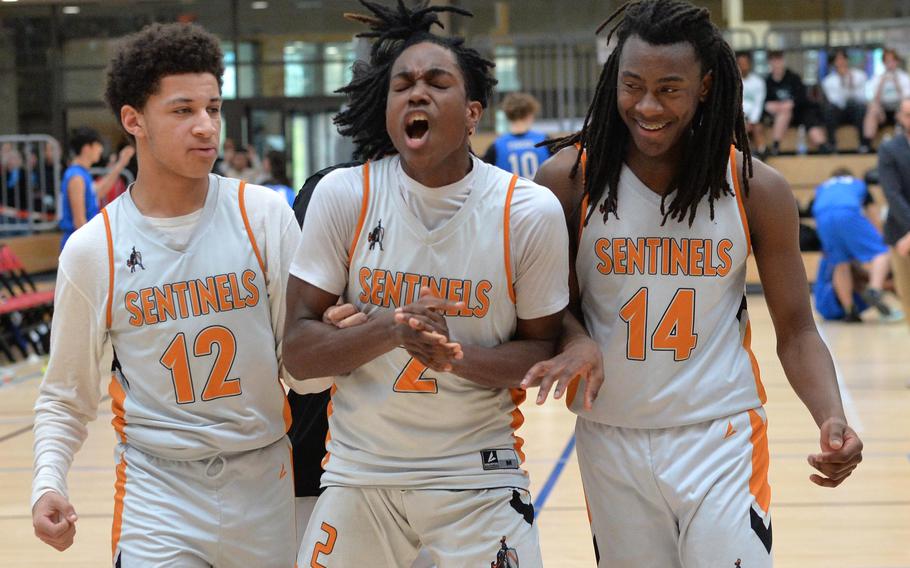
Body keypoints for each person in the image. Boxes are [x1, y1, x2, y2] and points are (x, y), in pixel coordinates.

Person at [524, 1, 864, 566]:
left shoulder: (756, 188)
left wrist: (830, 414)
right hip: (610, 435)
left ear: (706, 87)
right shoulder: (568, 180)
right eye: (632, 86)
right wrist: (575, 337)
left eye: (669, 89)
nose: (648, 105)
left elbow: (798, 330)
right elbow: (550, 309)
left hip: (720, 435)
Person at [283, 2, 571, 566]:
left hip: (478, 475)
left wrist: (450, 357)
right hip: (359, 474)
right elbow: (297, 350)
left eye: (437, 83)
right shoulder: (345, 195)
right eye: (403, 85)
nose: (417, 93)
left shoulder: (527, 211)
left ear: (472, 113)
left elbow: (541, 349)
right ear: (387, 109)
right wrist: (392, 329)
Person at [31, 23, 303, 566]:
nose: (206, 127)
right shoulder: (93, 250)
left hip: (265, 479)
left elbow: (304, 374)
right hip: (158, 493)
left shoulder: (265, 216)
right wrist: (47, 481)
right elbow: (65, 394)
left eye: (214, 108)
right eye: (183, 111)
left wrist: (337, 334)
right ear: (134, 120)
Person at [811, 168, 895, 321]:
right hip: (847, 211)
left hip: (822, 218)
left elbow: (817, 214)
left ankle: (850, 310)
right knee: (882, 252)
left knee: (839, 263)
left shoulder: (823, 187)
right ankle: (874, 290)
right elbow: (873, 216)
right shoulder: (858, 183)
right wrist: (882, 237)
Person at [58, 127, 133, 248]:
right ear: (87, 148)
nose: (101, 149)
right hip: (78, 246)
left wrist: (121, 163)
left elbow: (100, 190)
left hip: (80, 243)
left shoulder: (82, 173)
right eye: (98, 145)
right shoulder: (76, 177)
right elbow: (79, 222)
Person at [878, 97, 910, 330]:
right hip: (901, 232)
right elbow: (892, 194)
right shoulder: (889, 149)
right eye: (908, 114)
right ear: (900, 117)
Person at [764, 50, 829, 155]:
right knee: (784, 113)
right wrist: (776, 106)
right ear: (770, 62)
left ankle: (822, 145)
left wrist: (790, 104)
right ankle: (775, 145)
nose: (777, 64)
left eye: (779, 60)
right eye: (774, 60)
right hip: (780, 115)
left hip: (799, 112)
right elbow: (766, 103)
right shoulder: (767, 81)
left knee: (809, 119)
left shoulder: (794, 78)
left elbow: (801, 98)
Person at [481, 92, 552, 178]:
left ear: (507, 115)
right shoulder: (545, 140)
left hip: (510, 191)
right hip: (541, 190)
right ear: (530, 114)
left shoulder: (497, 145)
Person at [821, 49, 870, 152]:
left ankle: (864, 144)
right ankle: (832, 144)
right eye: (838, 60)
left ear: (847, 60)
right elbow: (836, 101)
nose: (841, 62)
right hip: (839, 112)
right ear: (833, 63)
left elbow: (862, 98)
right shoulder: (828, 81)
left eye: (843, 59)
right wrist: (844, 83)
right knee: (829, 109)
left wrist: (851, 85)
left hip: (855, 111)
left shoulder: (860, 75)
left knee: (860, 108)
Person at [864, 48, 910, 147]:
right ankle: (866, 144)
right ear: (883, 63)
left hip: (898, 108)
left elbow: (906, 100)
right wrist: (881, 83)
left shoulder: (904, 77)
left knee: (905, 107)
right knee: (872, 109)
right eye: (887, 61)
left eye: (892, 61)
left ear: (897, 62)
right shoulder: (877, 77)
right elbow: (873, 99)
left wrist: (896, 83)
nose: (890, 64)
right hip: (883, 110)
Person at [737, 51, 767, 156]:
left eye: (745, 63)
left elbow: (759, 103)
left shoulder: (758, 82)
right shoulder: (733, 82)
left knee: (758, 128)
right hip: (738, 117)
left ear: (750, 64)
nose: (743, 66)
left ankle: (762, 153)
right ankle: (740, 154)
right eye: (741, 63)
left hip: (755, 118)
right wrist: (742, 119)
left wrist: (752, 121)